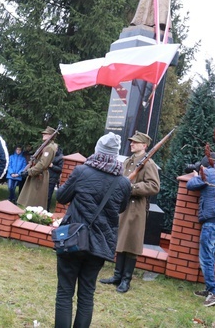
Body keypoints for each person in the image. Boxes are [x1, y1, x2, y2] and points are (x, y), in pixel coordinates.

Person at [54, 132, 131, 328]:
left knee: (65, 291)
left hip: (73, 238)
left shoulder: (82, 171)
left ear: (98, 150)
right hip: (101, 243)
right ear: (115, 155)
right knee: (87, 294)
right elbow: (121, 208)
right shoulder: (123, 182)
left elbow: (61, 197)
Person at [99, 131, 160, 293]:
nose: (131, 144)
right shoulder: (128, 161)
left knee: (131, 243)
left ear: (144, 146)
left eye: (135, 142)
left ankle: (126, 279)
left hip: (136, 208)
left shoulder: (149, 164)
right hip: (123, 206)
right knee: (121, 241)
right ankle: (117, 276)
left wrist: (131, 188)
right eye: (131, 142)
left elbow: (154, 186)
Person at [186, 152, 215, 307]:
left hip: (211, 221)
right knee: (209, 255)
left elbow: (190, 185)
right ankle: (209, 288)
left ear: (205, 165)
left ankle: (214, 292)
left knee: (206, 257)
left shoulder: (208, 173)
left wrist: (196, 174)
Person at [17, 126, 58, 209]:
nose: (43, 134)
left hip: (39, 176)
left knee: (34, 203)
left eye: (45, 133)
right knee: (30, 203)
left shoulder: (49, 148)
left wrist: (29, 171)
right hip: (37, 174)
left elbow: (43, 164)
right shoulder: (47, 146)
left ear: (50, 135)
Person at [47, 146, 64, 211]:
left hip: (53, 178)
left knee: (48, 196)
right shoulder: (50, 154)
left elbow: (60, 169)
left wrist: (52, 166)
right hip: (46, 177)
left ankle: (46, 210)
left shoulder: (61, 157)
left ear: (57, 149)